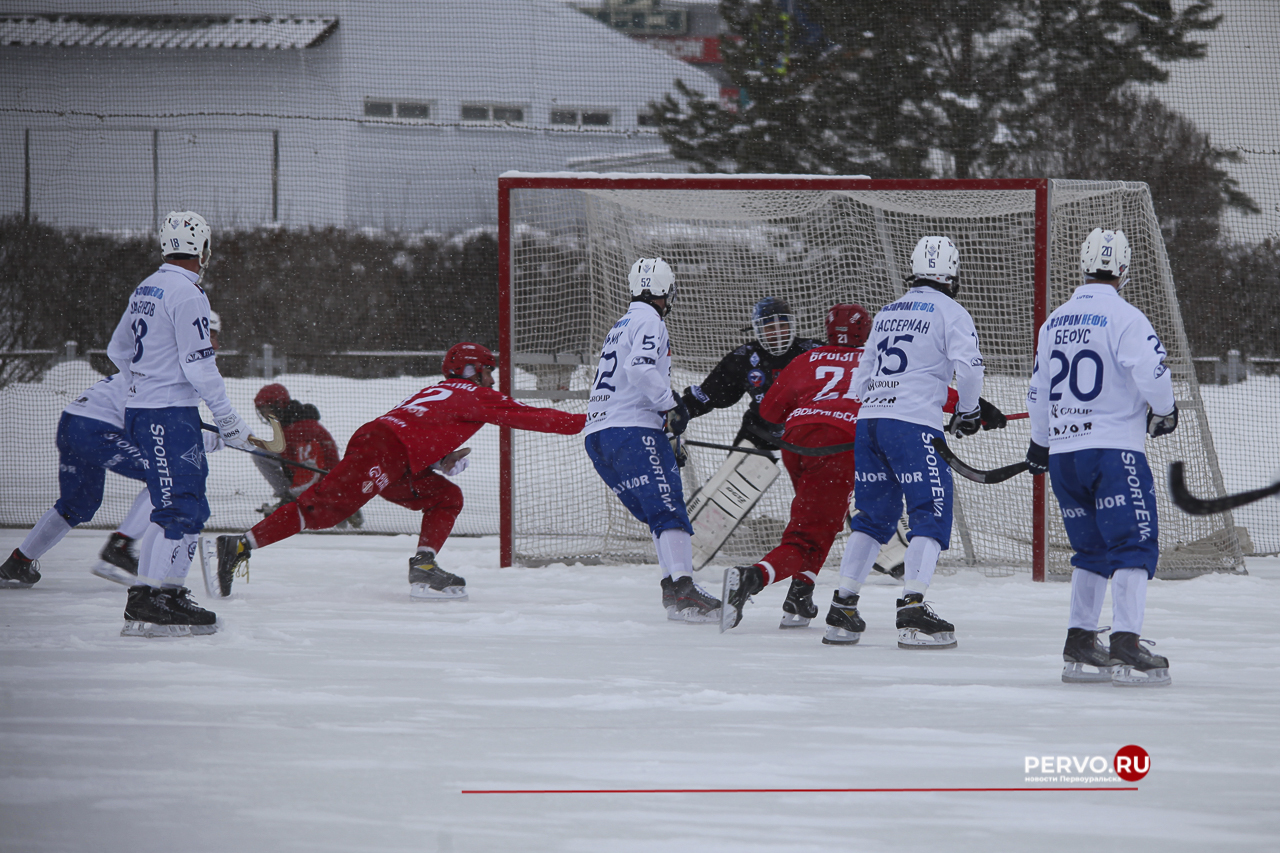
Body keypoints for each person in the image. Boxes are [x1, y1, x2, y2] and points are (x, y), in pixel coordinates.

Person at [213, 342, 585, 600]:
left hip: (391, 451)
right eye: (487, 370)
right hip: (385, 451)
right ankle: (239, 544)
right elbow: (534, 416)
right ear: (471, 370)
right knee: (322, 511)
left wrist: (440, 460)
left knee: (446, 496)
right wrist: (590, 419)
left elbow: (416, 429)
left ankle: (424, 564)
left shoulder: (439, 390)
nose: (492, 379)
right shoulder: (474, 394)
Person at [828, 236, 1000, 649]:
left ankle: (843, 608)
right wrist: (970, 410)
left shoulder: (888, 311)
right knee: (930, 511)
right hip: (912, 426)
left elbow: (861, 375)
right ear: (953, 273)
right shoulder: (951, 311)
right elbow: (970, 369)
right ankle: (913, 608)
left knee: (872, 516)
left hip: (871, 422)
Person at [1026, 228, 1177, 687]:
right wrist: (1167, 411)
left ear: (1083, 266)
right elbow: (1151, 372)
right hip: (1113, 452)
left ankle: (1080, 641)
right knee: (1132, 545)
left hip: (1065, 456)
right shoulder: (1127, 317)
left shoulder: (1054, 321)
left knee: (1089, 550)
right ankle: (1127, 646)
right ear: (1124, 271)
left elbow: (1037, 391)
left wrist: (1040, 443)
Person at [102, 210, 262, 637]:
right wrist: (227, 420)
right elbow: (201, 367)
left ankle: (165, 594)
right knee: (180, 508)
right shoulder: (188, 294)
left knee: (177, 507)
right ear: (204, 250)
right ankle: (150, 601)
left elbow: (117, 350)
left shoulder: (147, 287)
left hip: (155, 412)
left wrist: (144, 385)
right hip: (167, 416)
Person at [583, 257, 721, 623]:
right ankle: (685, 589)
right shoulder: (650, 321)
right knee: (668, 508)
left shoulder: (622, 323)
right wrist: (671, 407)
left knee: (658, 515)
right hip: (631, 431)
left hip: (600, 435)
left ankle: (673, 591)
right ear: (665, 290)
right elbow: (640, 368)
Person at [719, 304, 870, 632]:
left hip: (797, 444)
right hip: (838, 448)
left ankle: (800, 596)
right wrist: (971, 408)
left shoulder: (807, 358)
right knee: (805, 537)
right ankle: (751, 578)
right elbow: (922, 393)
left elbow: (771, 412)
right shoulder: (874, 359)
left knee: (822, 526)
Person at [678, 296, 822, 450]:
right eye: (770, 328)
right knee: (734, 473)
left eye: (782, 325)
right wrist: (679, 412)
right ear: (758, 329)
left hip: (810, 429)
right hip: (762, 430)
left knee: (826, 471)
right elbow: (711, 394)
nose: (778, 333)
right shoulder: (744, 357)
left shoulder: (814, 352)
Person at [248, 383, 356, 525]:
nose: (265, 414)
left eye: (267, 408)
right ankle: (291, 495)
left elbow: (311, 471)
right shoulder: (290, 422)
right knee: (260, 454)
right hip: (316, 476)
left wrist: (293, 497)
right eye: (262, 409)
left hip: (326, 483)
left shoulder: (300, 428)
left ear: (280, 405)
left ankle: (337, 506)